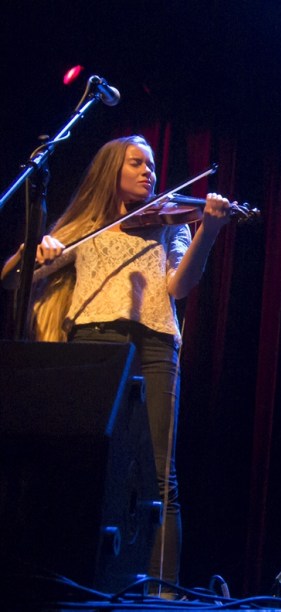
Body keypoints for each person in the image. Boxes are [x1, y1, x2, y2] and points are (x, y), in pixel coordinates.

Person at [1, 135, 245, 595]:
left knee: (160, 475)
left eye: (151, 166)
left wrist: (208, 231)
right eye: (137, 163)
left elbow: (179, 288)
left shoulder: (170, 223)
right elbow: (12, 282)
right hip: (92, 344)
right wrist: (38, 250)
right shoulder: (83, 226)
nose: (149, 172)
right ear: (112, 169)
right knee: (88, 467)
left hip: (154, 345)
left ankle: (164, 594)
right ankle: (78, 585)